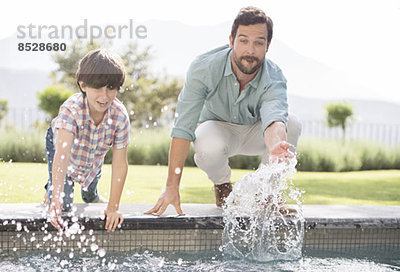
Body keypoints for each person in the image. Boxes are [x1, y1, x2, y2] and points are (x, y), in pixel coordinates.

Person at [146, 6, 301, 217]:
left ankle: (268, 195)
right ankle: (222, 187)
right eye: (243, 40)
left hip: (256, 131)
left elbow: (275, 120)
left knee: (292, 124)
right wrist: (172, 187)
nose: (250, 50)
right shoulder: (204, 68)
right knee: (204, 141)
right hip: (218, 129)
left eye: (259, 43)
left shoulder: (274, 77)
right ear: (231, 40)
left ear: (268, 46)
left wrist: (275, 147)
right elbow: (183, 128)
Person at [44, 48, 130, 232]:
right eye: (97, 87)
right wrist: (56, 198)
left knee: (90, 193)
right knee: (64, 203)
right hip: (61, 148)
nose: (104, 96)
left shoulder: (120, 116)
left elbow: (120, 163)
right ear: (83, 85)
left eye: (111, 88)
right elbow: (62, 156)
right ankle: (50, 188)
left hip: (93, 154)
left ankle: (91, 194)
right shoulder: (71, 110)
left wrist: (113, 208)